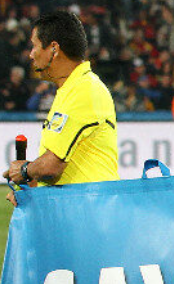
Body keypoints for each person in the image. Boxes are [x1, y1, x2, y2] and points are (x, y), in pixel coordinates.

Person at [4, 11, 119, 205]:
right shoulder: (70, 90)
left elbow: (52, 167)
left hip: (92, 212)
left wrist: (24, 170)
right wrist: (29, 191)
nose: (31, 54)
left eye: (34, 46)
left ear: (54, 49)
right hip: (79, 209)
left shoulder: (84, 90)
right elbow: (57, 172)